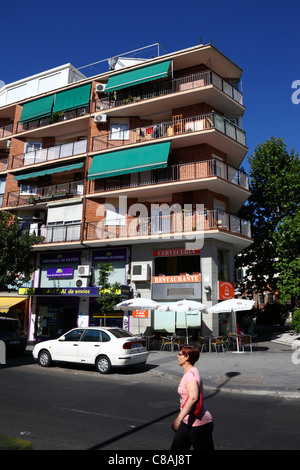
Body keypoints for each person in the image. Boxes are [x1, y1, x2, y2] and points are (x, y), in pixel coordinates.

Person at [170, 344, 214, 451]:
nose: (177, 356)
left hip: (199, 425)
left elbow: (193, 398)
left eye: (180, 354)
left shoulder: (191, 375)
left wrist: (178, 418)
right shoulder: (190, 372)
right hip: (187, 423)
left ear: (187, 357)